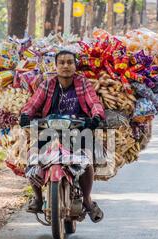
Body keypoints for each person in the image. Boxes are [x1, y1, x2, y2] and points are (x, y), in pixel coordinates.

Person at [20, 50, 106, 223]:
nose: (66, 66)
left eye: (69, 62)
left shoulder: (83, 83)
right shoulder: (47, 85)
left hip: (78, 130)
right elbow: (33, 103)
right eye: (62, 62)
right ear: (56, 66)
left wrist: (96, 117)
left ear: (75, 66)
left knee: (85, 160)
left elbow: (93, 102)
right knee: (32, 158)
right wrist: (25, 115)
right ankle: (37, 197)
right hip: (49, 130)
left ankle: (87, 200)